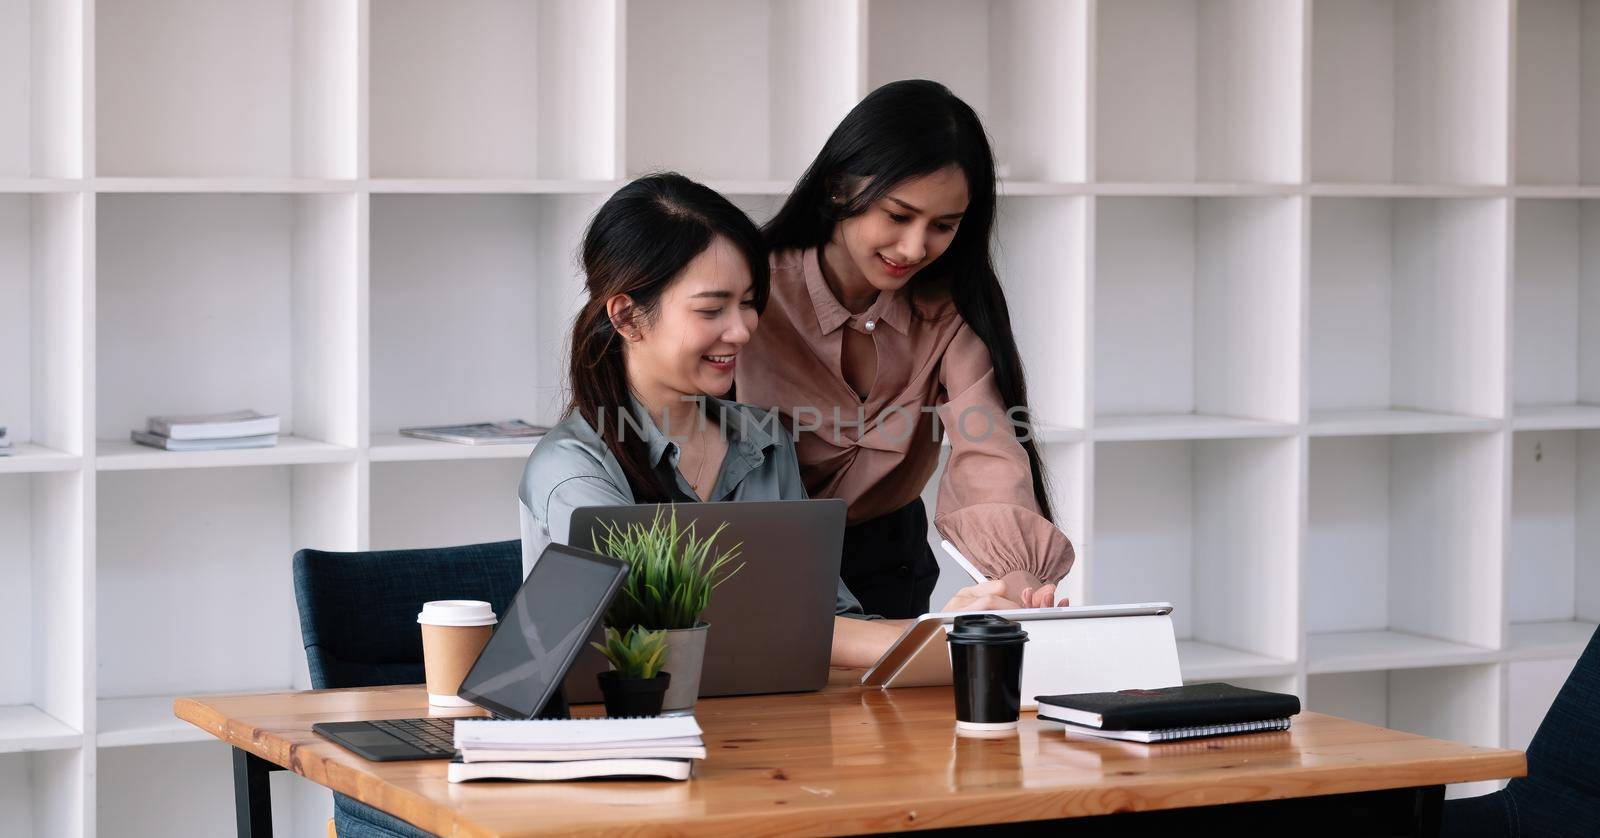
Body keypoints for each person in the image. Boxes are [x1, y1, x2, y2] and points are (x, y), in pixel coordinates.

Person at [517, 172, 1028, 668]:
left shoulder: (763, 439)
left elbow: (824, 617)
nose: (741, 331)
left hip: (770, 726)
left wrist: (960, 627)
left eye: (747, 303)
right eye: (712, 310)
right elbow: (660, 633)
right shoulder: (574, 470)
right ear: (627, 317)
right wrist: (938, 641)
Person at [735, 79, 1075, 619]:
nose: (915, 248)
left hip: (889, 561)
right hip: (753, 555)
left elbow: (985, 446)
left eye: (943, 226)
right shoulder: (750, 288)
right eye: (897, 216)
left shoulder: (952, 311)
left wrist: (1015, 578)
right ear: (839, 189)